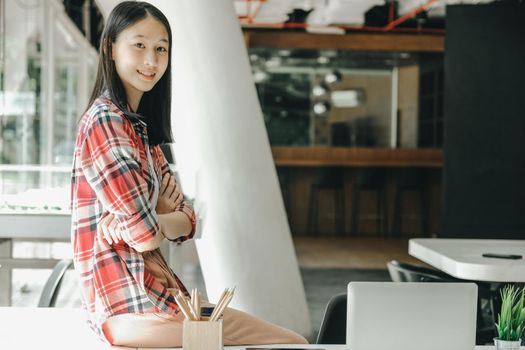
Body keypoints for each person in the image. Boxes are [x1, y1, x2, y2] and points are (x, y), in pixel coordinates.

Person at [70, 1, 308, 347]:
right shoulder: (106, 122)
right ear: (111, 48)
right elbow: (147, 235)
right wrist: (157, 219)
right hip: (131, 308)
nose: (151, 60)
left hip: (155, 302)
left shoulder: (141, 133)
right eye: (139, 45)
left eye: (161, 49)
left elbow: (189, 221)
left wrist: (155, 220)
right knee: (292, 343)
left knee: (287, 340)